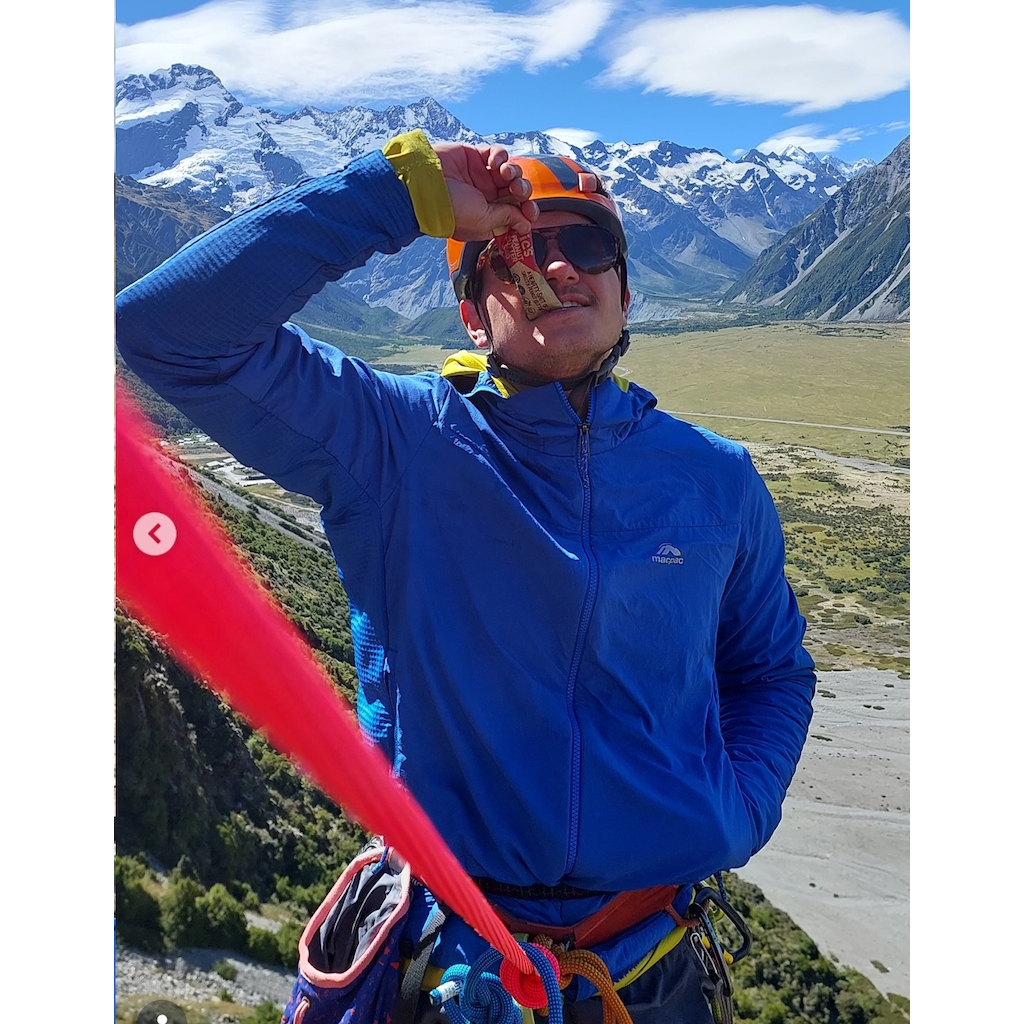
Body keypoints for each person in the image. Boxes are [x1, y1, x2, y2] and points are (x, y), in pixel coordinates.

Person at [116, 130, 816, 1022]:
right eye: (515, 252)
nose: (556, 267)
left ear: (625, 289)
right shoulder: (396, 442)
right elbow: (168, 331)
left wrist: (739, 810)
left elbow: (769, 670)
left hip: (653, 963)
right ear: (473, 317)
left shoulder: (717, 479)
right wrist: (396, 193)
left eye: (587, 244)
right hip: (454, 957)